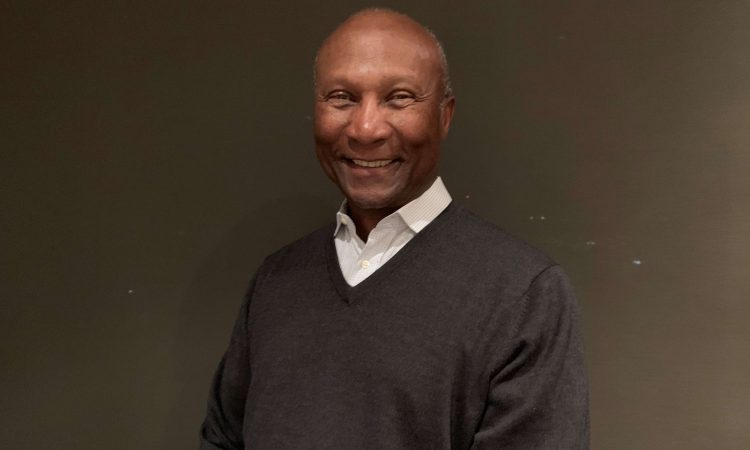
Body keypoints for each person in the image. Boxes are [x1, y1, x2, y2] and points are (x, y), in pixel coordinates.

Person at [200, 8, 589, 449]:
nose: (366, 128)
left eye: (399, 98)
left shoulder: (524, 292)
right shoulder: (274, 281)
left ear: (444, 116)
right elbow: (223, 438)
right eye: (342, 97)